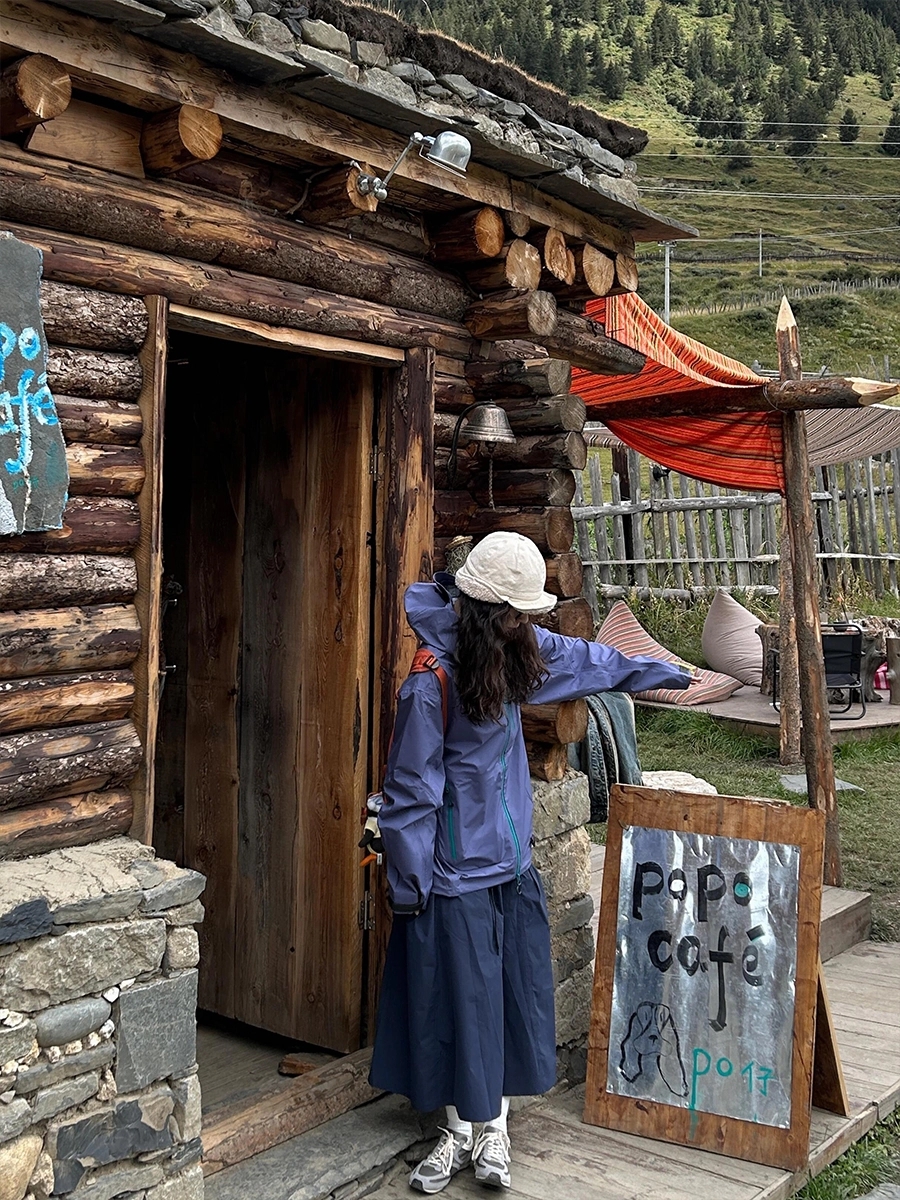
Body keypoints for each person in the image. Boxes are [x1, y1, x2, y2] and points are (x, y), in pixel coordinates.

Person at [369, 532, 692, 1193]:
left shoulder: (514, 653)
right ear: (489, 613)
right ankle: (459, 1133)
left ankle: (494, 1131)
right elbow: (410, 793)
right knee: (461, 1006)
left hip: (511, 867)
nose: (530, 624)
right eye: (519, 614)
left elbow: (585, 659)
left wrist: (657, 672)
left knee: (506, 1001)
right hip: (453, 875)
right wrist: (409, 882)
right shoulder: (430, 683)